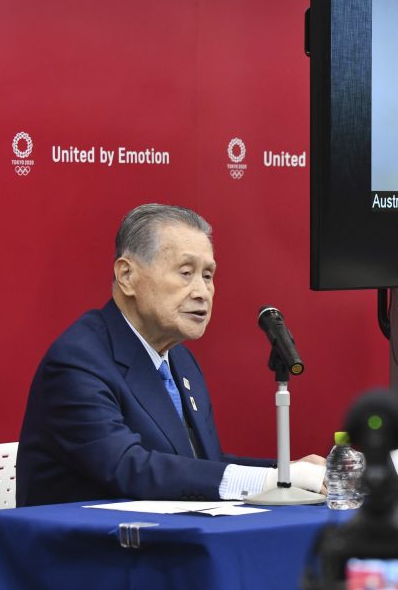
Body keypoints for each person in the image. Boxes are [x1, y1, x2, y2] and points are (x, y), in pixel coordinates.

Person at [16, 204, 326, 506]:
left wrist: (285, 473)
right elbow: (130, 467)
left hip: (161, 544)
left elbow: (202, 463)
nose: (202, 291)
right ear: (126, 275)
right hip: (87, 550)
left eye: (208, 275)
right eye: (186, 272)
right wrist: (277, 481)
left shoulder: (180, 360)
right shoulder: (78, 361)